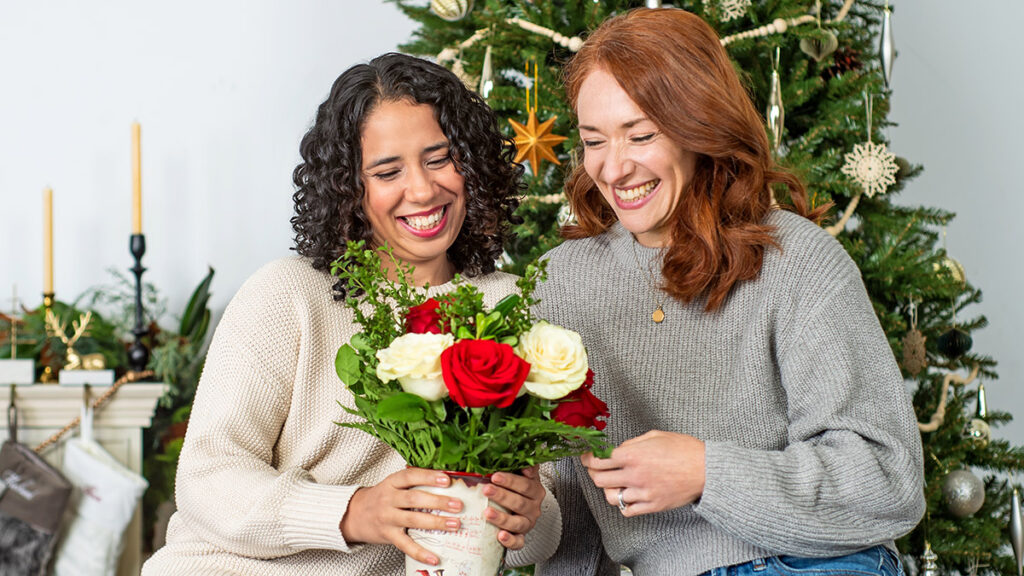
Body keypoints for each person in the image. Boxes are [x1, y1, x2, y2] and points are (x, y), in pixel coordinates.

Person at [534, 8, 924, 576]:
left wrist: (706, 473)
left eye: (641, 135)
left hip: (814, 564)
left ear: (699, 127)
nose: (614, 168)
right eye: (594, 141)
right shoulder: (561, 284)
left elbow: (888, 481)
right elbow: (571, 525)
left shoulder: (798, 261)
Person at [143, 52, 559, 576]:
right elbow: (207, 479)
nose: (424, 190)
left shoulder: (512, 309)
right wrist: (353, 511)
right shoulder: (287, 295)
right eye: (388, 171)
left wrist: (527, 515)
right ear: (350, 190)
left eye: (439, 158)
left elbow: (544, 522)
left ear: (471, 162)